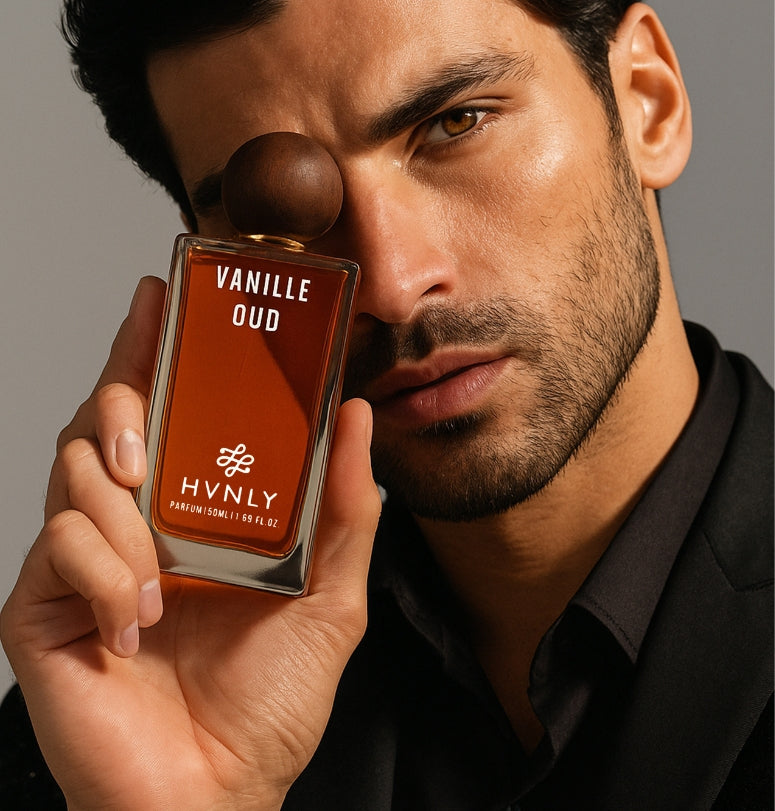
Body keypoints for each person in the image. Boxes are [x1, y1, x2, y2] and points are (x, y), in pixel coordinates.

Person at [0, 0, 771, 808]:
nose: (392, 285)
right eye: (283, 207)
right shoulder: (131, 709)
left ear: (647, 103)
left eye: (454, 123)